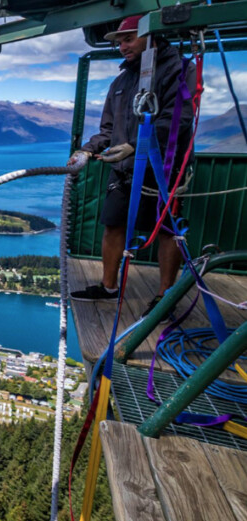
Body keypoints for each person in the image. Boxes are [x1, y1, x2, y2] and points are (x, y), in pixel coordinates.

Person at [69, 14, 195, 317]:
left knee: (167, 231)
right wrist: (86, 151)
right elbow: (108, 129)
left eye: (128, 39)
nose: (122, 46)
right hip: (125, 170)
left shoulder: (180, 69)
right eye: (120, 42)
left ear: (150, 36)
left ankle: (165, 296)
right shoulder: (121, 82)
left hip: (165, 169)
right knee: (113, 225)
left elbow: (179, 120)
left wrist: (136, 146)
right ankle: (109, 287)